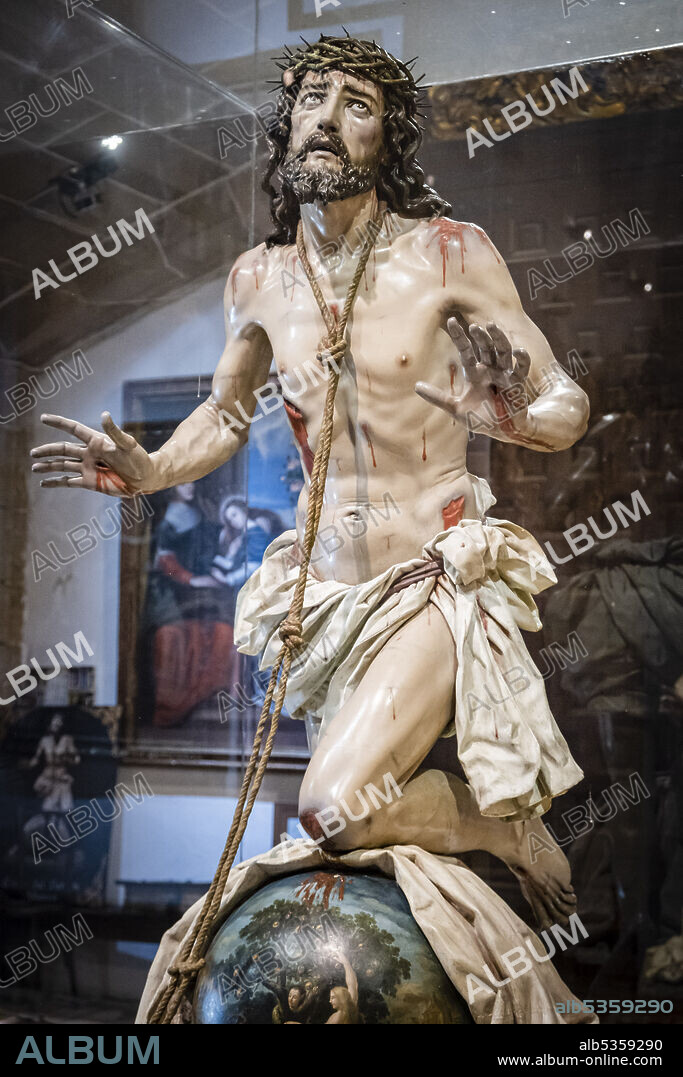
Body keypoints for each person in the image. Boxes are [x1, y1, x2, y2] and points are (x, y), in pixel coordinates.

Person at [29, 34, 589, 930]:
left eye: (356, 104)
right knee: (350, 841)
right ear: (286, 124)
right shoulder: (257, 279)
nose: (327, 119)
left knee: (334, 809)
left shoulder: (449, 252)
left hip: (427, 582)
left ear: (387, 138)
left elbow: (565, 405)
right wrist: (150, 471)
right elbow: (224, 414)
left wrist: (506, 410)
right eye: (312, 99)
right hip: (323, 601)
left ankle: (500, 825)